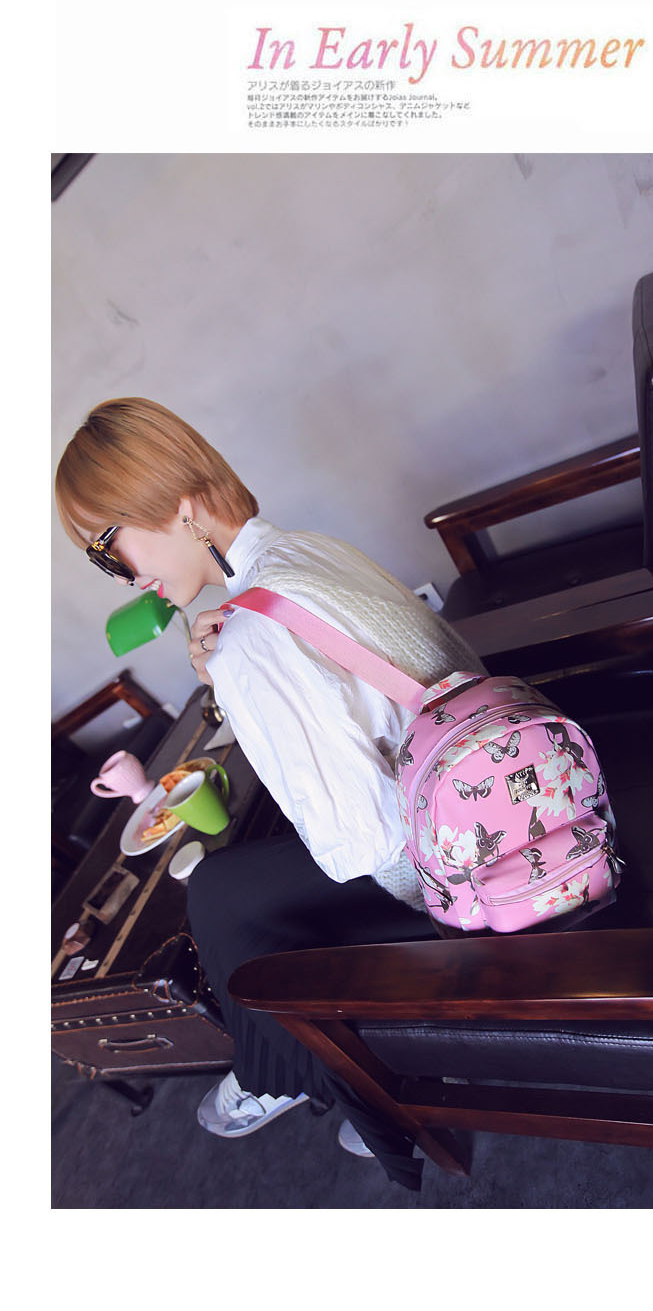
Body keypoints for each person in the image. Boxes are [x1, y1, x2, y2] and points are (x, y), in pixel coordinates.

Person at [55, 396, 483, 1187]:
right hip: (473, 777)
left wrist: (237, 684)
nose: (127, 578)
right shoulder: (301, 549)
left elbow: (358, 847)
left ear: (180, 507)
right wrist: (225, 673)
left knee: (228, 900)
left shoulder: (251, 636)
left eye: (110, 550)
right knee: (230, 887)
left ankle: (341, 1081)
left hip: (447, 871)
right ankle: (279, 1066)